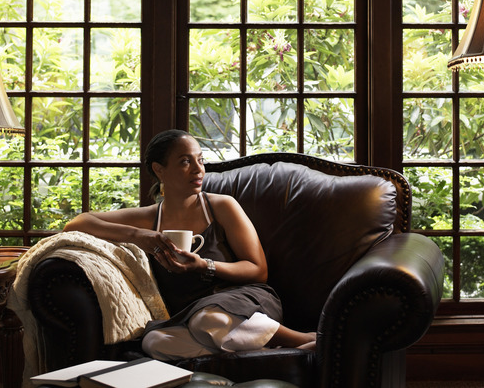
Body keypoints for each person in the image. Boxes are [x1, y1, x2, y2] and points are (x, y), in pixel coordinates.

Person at [63, 129, 316, 360]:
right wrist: (138, 235)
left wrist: (204, 266)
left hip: (245, 303)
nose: (199, 170)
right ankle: (268, 353)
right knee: (154, 342)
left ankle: (301, 339)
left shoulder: (222, 206)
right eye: (185, 161)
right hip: (188, 317)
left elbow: (258, 270)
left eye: (200, 160)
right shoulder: (149, 218)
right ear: (159, 170)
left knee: (208, 319)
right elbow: (76, 223)